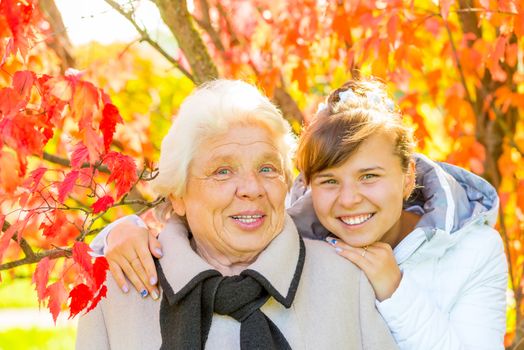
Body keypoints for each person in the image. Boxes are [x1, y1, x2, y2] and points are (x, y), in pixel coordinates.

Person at [92, 78, 508, 350]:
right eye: (223, 171)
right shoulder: (121, 284)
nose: (251, 189)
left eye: (267, 169)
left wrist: (394, 289)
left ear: (406, 177)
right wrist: (119, 231)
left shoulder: (350, 275)